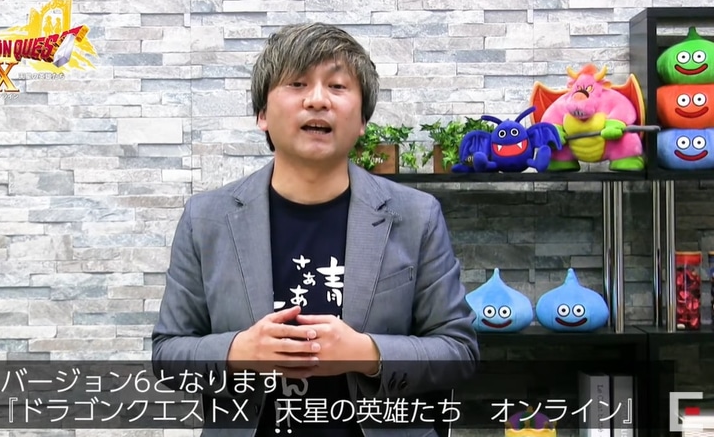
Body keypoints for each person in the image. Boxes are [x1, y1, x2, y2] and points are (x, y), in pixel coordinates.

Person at [152, 22, 479, 437]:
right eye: (297, 84)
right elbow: (168, 353)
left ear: (362, 120)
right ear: (262, 115)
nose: (318, 99)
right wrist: (238, 352)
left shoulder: (416, 216)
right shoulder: (206, 219)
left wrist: (367, 353)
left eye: (338, 86)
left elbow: (458, 350)